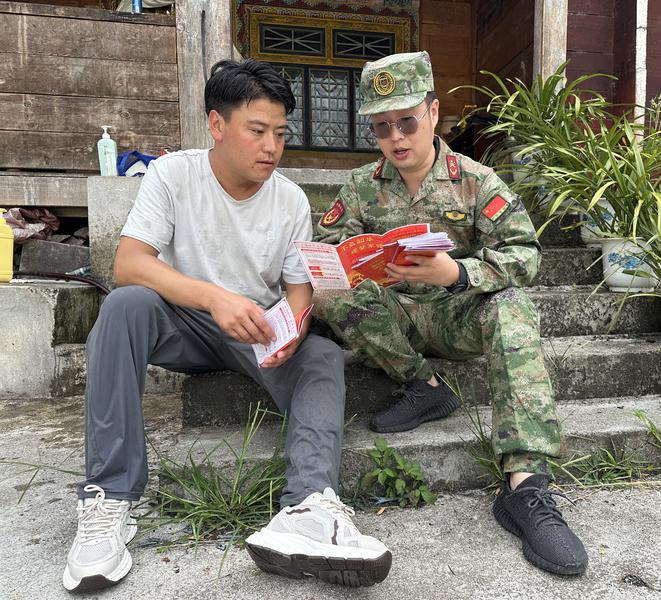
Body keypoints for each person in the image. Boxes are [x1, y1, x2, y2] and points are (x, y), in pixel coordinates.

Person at [62, 59, 391, 593]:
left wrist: (294, 327)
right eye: (257, 131)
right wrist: (214, 299)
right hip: (182, 322)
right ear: (217, 125)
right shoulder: (173, 174)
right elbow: (129, 262)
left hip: (256, 332)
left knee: (323, 354)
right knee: (124, 305)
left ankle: (308, 508)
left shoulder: (290, 199)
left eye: (280, 133)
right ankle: (110, 497)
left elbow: (297, 288)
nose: (271, 147)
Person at [315, 51, 588, 576]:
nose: (396, 138)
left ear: (434, 113)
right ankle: (424, 386)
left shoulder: (477, 182)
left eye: (407, 121)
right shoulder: (360, 187)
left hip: (457, 315)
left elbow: (525, 255)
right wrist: (355, 267)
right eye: (382, 127)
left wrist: (458, 273)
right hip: (393, 317)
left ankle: (526, 485)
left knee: (512, 306)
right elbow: (326, 252)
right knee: (332, 295)